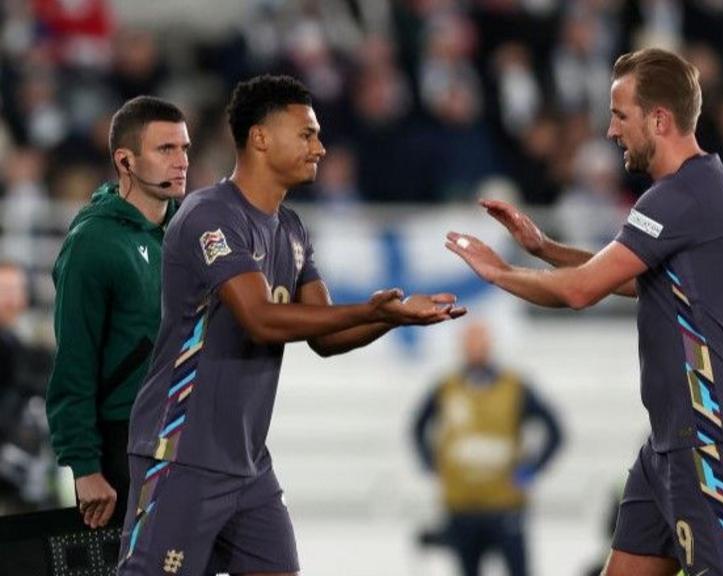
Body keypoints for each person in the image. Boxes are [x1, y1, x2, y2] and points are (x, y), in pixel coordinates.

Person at [117, 75, 465, 576]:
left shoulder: (292, 230)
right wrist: (371, 310)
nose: (319, 148)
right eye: (307, 134)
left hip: (248, 464)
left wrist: (392, 316)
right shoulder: (210, 215)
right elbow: (260, 318)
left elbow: (325, 334)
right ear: (260, 138)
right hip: (181, 453)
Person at [447, 48, 723, 576]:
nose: (610, 130)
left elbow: (581, 291)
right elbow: (636, 279)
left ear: (659, 119)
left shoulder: (678, 197)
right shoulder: (720, 186)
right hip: (670, 441)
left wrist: (497, 273)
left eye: (620, 115)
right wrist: (546, 249)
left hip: (709, 435)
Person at [46, 96, 190, 530]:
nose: (182, 161)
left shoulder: (192, 230)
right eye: (166, 149)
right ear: (125, 161)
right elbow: (74, 360)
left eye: (184, 148)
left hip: (191, 434)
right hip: (124, 442)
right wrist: (85, 467)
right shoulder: (93, 243)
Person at [412, 321, 562, 576]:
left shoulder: (514, 387)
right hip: (461, 504)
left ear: (490, 344)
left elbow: (554, 430)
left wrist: (532, 469)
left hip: (504, 503)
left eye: (480, 341)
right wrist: (432, 464)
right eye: (470, 342)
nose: (476, 348)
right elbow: (418, 426)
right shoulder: (447, 387)